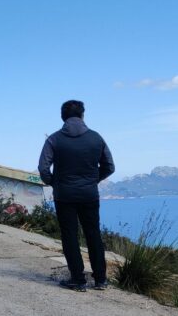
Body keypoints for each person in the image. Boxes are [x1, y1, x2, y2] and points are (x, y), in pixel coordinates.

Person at [38, 100, 115, 292]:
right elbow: (109, 167)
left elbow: (43, 168)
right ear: (82, 115)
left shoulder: (54, 140)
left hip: (64, 196)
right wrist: (92, 180)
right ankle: (100, 280)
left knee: (70, 236)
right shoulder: (96, 138)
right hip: (89, 195)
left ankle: (78, 280)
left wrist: (54, 182)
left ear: (63, 117)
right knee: (93, 235)